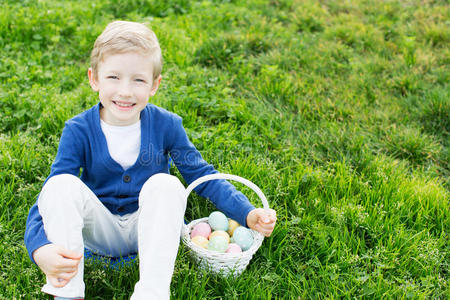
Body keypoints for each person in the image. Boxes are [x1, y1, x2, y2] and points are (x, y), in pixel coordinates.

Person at [24, 20, 277, 300]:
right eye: (113, 77)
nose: (125, 91)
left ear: (155, 84)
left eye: (139, 79)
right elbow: (49, 196)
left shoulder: (166, 125)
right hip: (98, 230)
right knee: (61, 185)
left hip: (147, 228)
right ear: (93, 78)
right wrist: (40, 248)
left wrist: (246, 211)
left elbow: (201, 175)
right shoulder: (78, 130)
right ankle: (68, 293)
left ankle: (152, 293)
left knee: (166, 184)